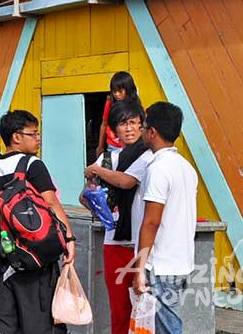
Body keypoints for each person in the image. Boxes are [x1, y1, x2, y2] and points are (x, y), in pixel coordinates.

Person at [0, 109, 76, 334]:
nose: (38, 139)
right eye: (34, 134)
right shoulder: (32, 165)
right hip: (36, 261)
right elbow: (51, 203)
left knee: (3, 323)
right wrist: (68, 239)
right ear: (16, 137)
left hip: (2, 263)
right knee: (40, 323)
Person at [81, 101, 151, 334]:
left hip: (143, 245)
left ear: (143, 127)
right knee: (120, 310)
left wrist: (97, 170)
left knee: (146, 310)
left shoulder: (148, 157)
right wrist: (100, 207)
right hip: (115, 243)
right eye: (123, 124)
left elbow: (125, 181)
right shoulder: (107, 159)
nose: (129, 129)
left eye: (134, 123)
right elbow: (85, 196)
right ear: (114, 130)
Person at [132, 102, 198, 334]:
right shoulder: (186, 167)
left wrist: (139, 269)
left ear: (153, 132)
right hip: (180, 262)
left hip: (160, 265)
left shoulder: (158, 168)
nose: (141, 132)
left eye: (144, 127)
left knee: (168, 328)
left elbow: (151, 222)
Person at [95, 71, 142, 159]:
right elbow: (104, 124)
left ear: (128, 89)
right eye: (114, 91)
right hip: (112, 146)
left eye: (120, 91)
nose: (116, 94)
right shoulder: (110, 104)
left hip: (132, 147)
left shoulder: (136, 107)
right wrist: (100, 147)